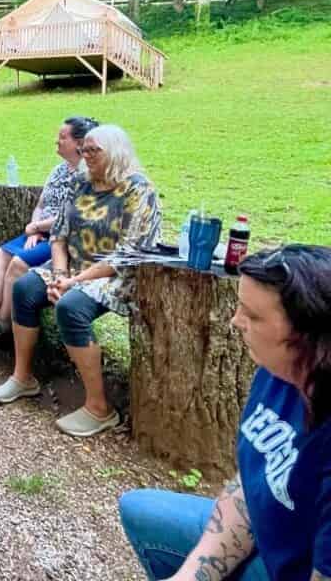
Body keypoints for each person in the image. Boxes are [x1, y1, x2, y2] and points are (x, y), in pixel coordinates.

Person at [120, 245, 331, 581]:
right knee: (140, 509)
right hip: (270, 538)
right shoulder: (279, 370)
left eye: (253, 315)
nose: (235, 321)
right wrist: (192, 576)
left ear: (308, 336)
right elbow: (250, 488)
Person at [0, 125, 161, 437]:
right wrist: (60, 274)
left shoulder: (139, 190)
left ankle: (99, 408)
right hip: (74, 269)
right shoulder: (81, 182)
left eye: (95, 151)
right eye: (85, 151)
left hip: (117, 275)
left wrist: (73, 281)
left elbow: (129, 255)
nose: (87, 156)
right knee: (26, 287)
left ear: (116, 152)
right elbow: (59, 235)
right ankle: (23, 377)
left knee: (70, 306)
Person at [0, 116, 98, 338]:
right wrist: (36, 227)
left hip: (63, 239)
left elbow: (70, 216)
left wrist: (37, 227)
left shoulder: (85, 176)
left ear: (79, 143)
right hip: (40, 232)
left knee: (18, 263)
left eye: (62, 137)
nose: (57, 141)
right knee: (2, 253)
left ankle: (3, 323)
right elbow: (42, 203)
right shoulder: (59, 170)